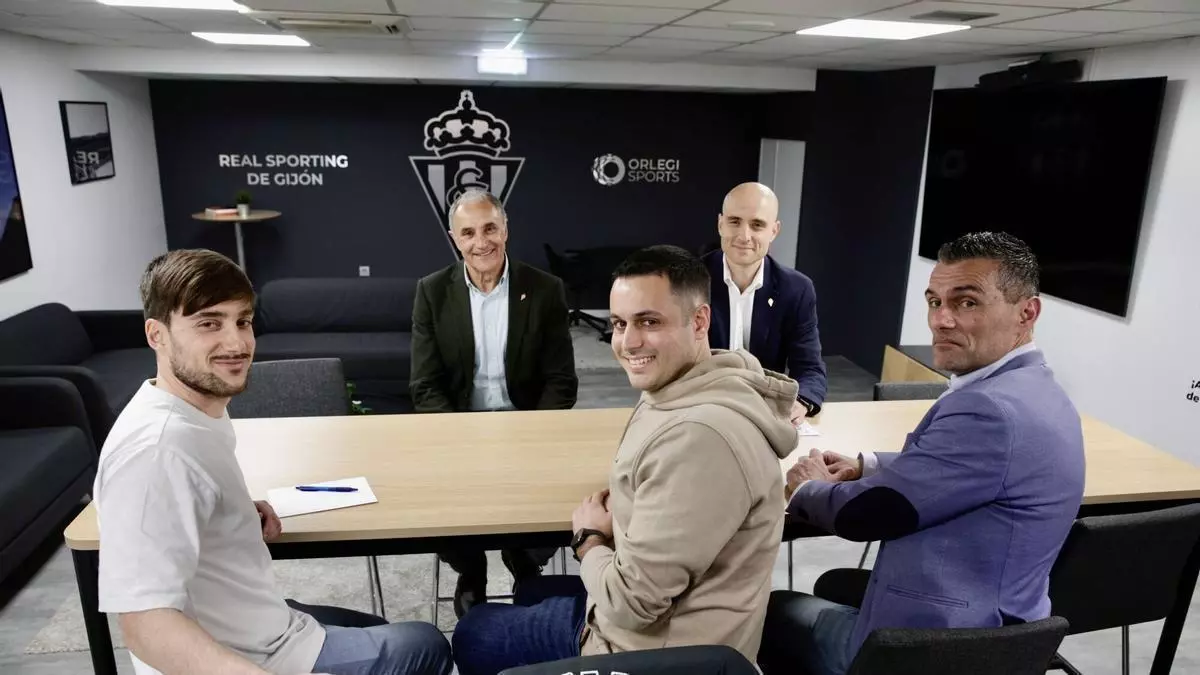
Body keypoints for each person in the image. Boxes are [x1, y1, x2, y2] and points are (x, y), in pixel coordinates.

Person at [95, 249, 451, 675]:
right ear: (158, 335)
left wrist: (231, 512)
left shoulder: (193, 410)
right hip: (253, 657)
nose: (236, 344)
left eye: (242, 321)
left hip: (256, 624)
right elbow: (145, 627)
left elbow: (180, 498)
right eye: (209, 323)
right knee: (427, 644)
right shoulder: (156, 452)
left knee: (377, 627)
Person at [451, 245, 799, 675]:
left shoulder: (702, 439)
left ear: (699, 321)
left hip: (648, 653)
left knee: (474, 631)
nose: (628, 342)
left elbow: (631, 604)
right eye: (619, 323)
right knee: (530, 592)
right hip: (670, 623)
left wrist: (588, 541)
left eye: (649, 322)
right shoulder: (692, 386)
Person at [760, 232, 1085, 675]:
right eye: (935, 302)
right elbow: (966, 469)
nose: (941, 320)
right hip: (1008, 633)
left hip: (939, 649)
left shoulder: (988, 409)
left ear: (1027, 312)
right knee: (834, 585)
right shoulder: (1039, 390)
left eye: (967, 302)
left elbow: (867, 516)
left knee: (771, 612)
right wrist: (867, 465)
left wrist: (805, 489)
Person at [409, 189, 579, 617]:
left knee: (557, 489)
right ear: (454, 238)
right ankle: (471, 567)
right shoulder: (432, 291)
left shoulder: (545, 289)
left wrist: (531, 435)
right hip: (458, 428)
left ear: (505, 230)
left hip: (527, 426)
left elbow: (561, 381)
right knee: (434, 491)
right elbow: (425, 385)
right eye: (468, 233)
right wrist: (460, 438)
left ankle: (523, 559)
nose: (480, 242)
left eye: (490, 229)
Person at [703, 182, 826, 421]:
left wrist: (801, 402)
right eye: (734, 221)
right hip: (701, 408)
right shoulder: (688, 280)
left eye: (757, 225)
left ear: (774, 231)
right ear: (720, 224)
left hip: (763, 412)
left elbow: (810, 368)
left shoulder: (796, 289)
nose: (744, 236)